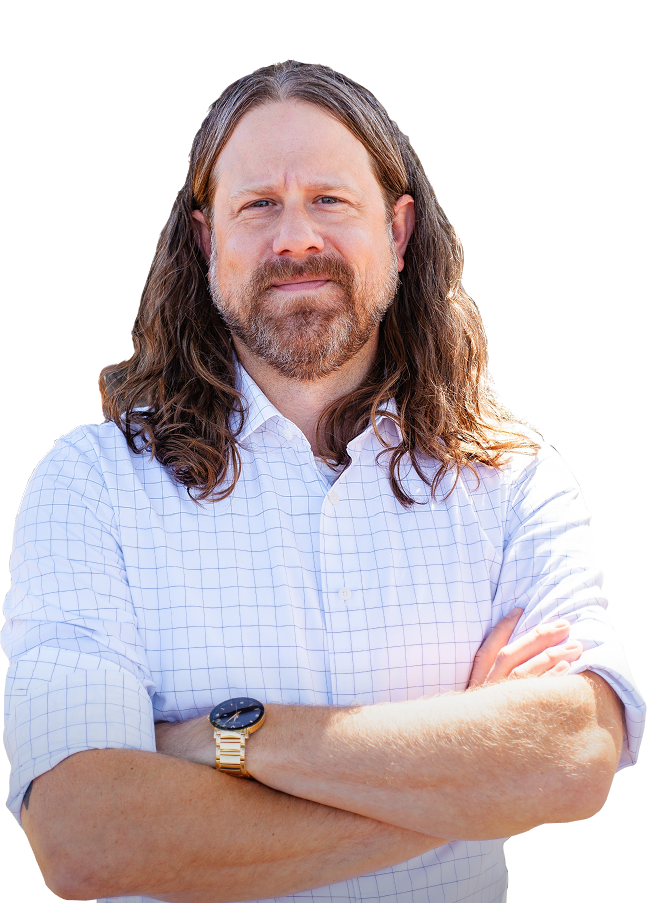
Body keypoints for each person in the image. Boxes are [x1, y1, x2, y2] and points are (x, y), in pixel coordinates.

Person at [1, 60, 645, 903]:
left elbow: (575, 760)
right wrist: (469, 781)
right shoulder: (90, 487)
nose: (295, 239)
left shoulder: (515, 479)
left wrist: (225, 739)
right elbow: (88, 835)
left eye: (330, 200)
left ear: (400, 232)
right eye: (259, 204)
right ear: (206, 241)